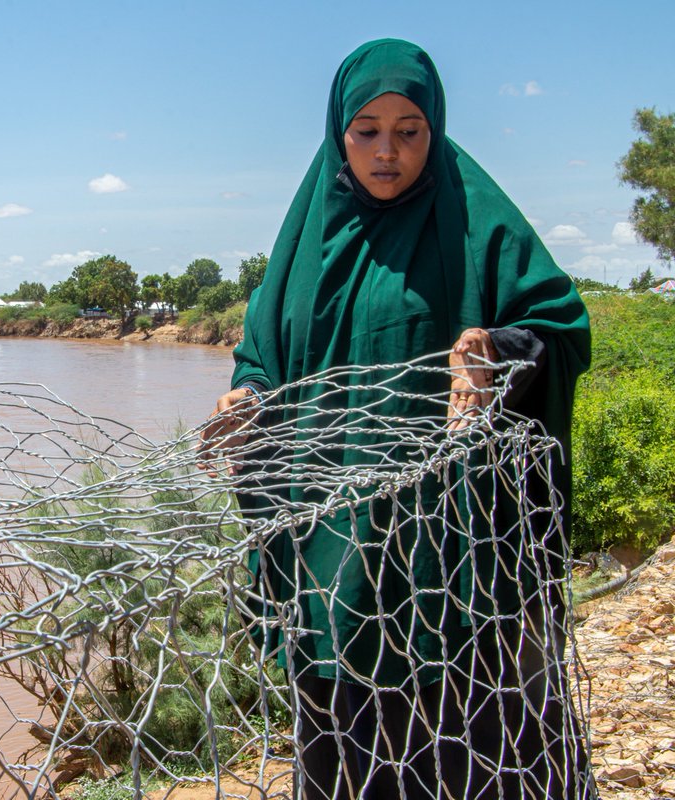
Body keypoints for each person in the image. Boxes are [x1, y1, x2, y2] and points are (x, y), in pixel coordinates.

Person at [200, 40, 594, 800]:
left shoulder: (478, 223)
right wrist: (245, 399)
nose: (388, 152)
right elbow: (263, 357)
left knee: (468, 744)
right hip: (330, 546)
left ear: (435, 129)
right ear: (337, 133)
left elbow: (560, 329)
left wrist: (498, 349)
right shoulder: (305, 247)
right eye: (367, 131)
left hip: (452, 556)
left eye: (409, 130)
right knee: (345, 744)